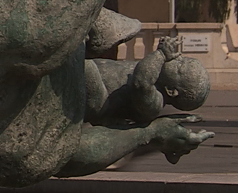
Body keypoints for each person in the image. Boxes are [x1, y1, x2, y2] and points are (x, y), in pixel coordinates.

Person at [83, 36, 211, 126]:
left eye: (180, 66)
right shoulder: (156, 71)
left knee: (84, 63)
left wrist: (161, 54)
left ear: (171, 91)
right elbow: (146, 68)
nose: (177, 58)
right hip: (93, 79)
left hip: (99, 100)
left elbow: (141, 83)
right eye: (183, 58)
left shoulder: (154, 105)